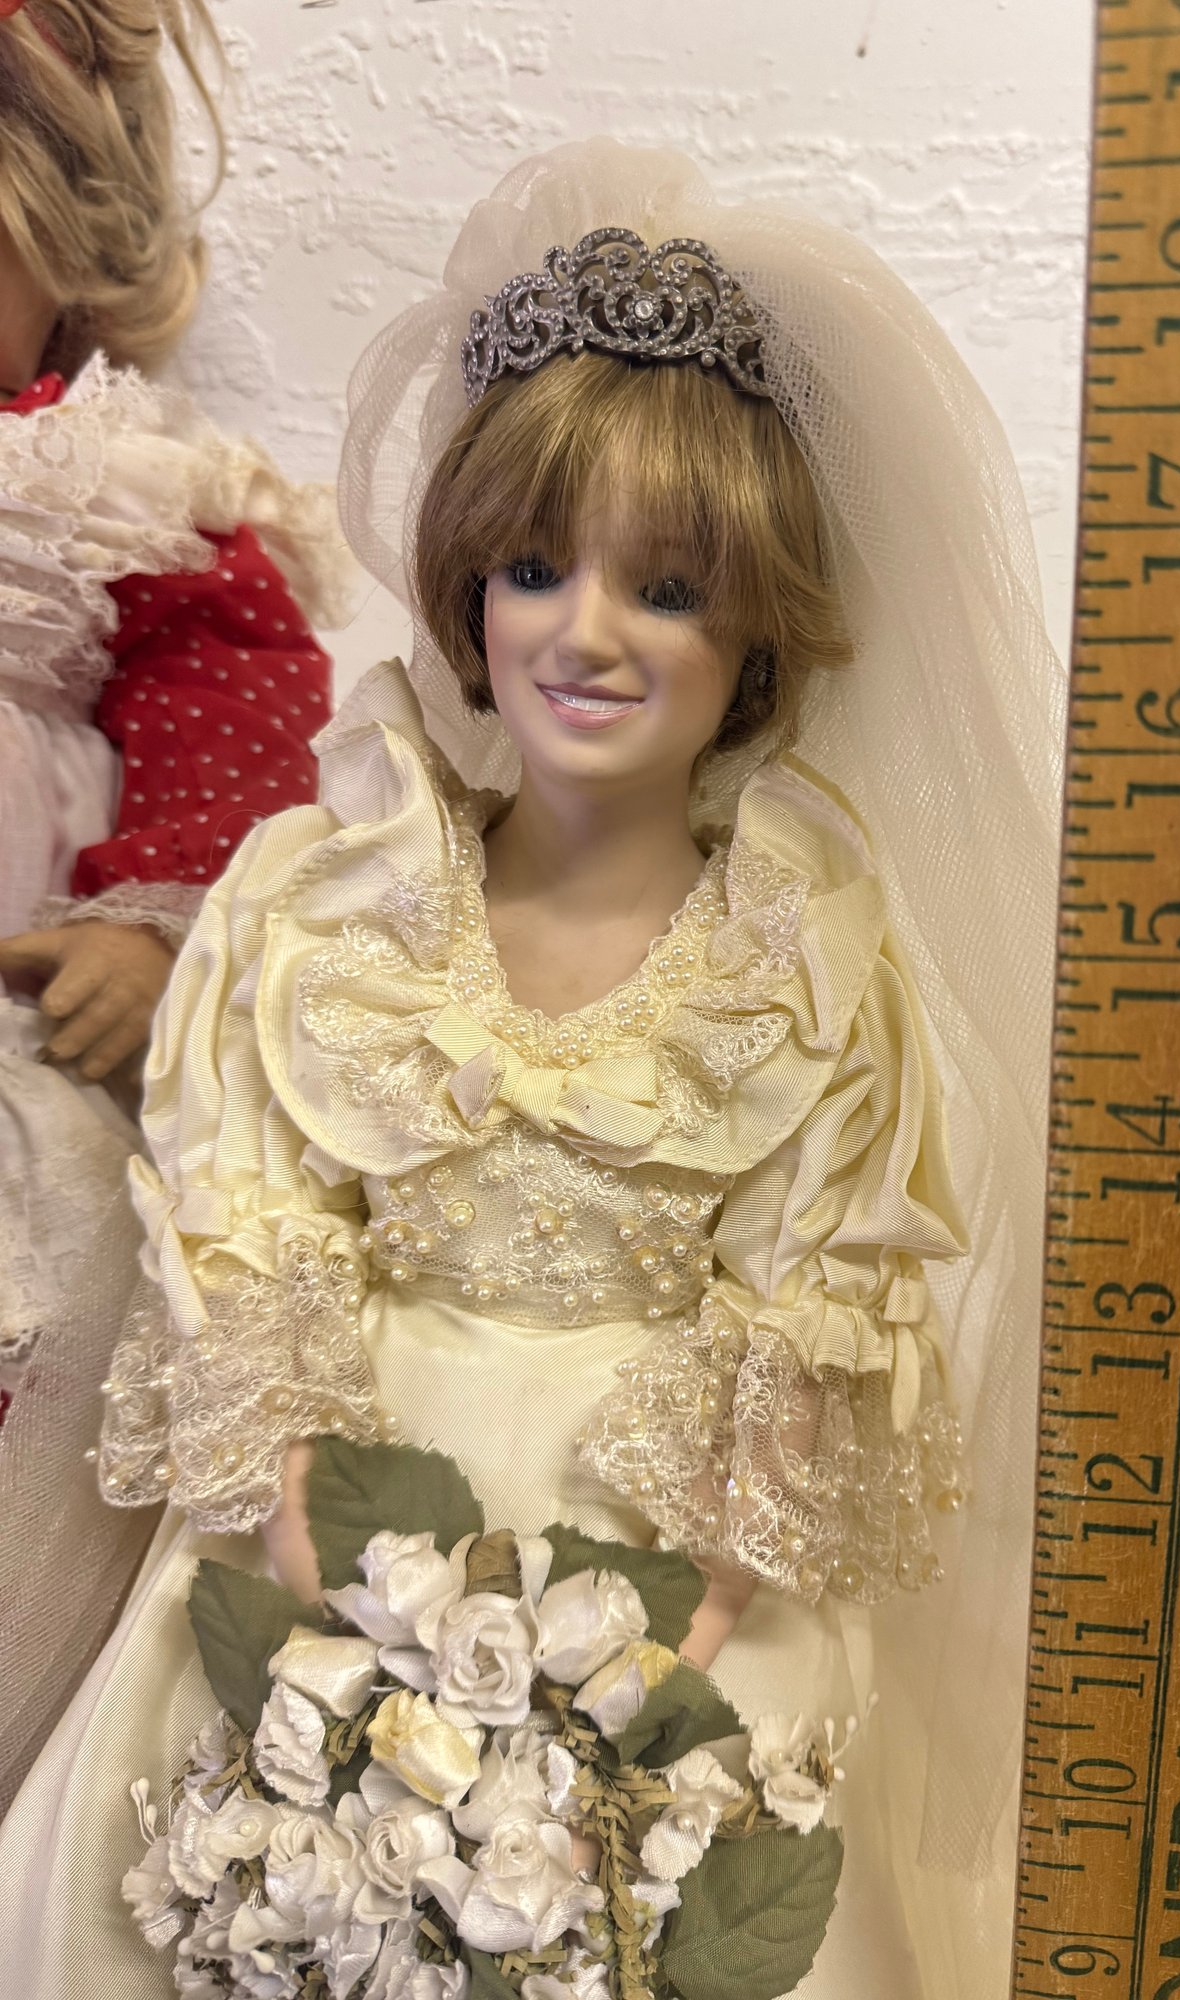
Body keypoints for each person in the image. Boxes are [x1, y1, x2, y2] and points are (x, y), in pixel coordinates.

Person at [0, 140, 1062, 1996]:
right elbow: (253, 1236)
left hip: (657, 1545)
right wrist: (338, 1593)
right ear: (468, 593)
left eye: (668, 588)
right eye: (533, 569)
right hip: (339, 1511)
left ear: (753, 636)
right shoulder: (318, 915)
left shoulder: (803, 963)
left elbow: (804, 1310)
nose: (585, 634)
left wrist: (637, 1669)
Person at [0, 0, 351, 1810]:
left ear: (61, 250)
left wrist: (149, 929)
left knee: (59, 1262)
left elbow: (232, 716)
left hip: (23, 1024)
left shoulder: (105, 485)